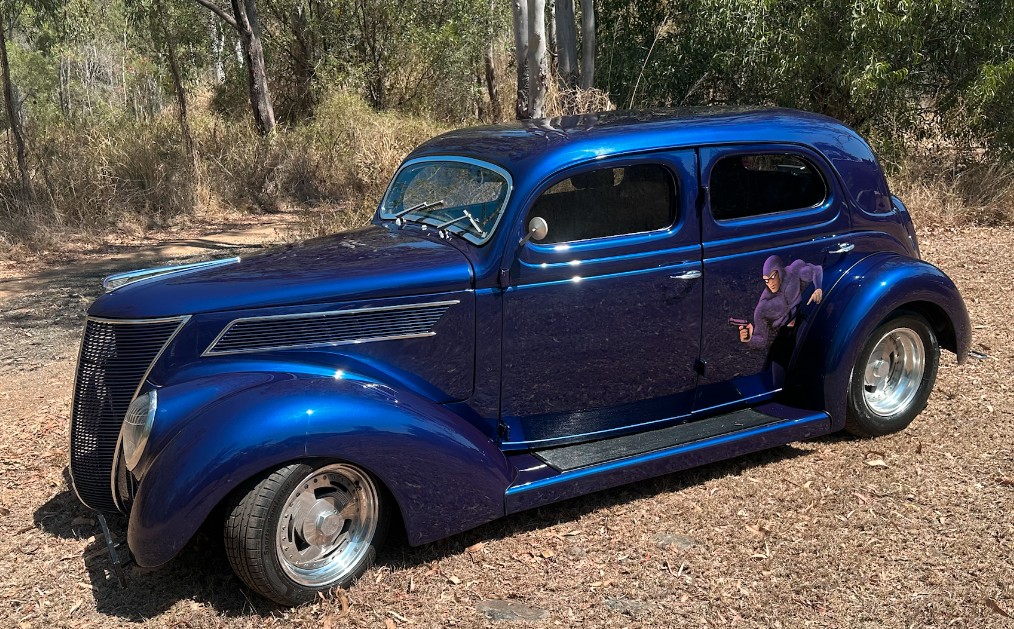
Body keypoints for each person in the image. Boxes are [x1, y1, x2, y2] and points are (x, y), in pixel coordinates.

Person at [738, 255, 823, 348]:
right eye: (766, 280)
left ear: (779, 270)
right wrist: (749, 339)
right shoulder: (763, 306)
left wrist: (818, 288)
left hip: (805, 324)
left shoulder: (794, 271)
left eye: (773, 276)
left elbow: (817, 270)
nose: (770, 283)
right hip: (784, 340)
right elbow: (761, 340)